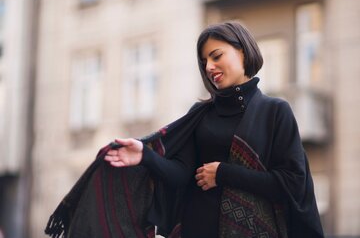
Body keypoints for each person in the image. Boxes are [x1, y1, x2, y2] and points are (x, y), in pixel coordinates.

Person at [45, 22, 324, 238]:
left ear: (242, 50)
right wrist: (145, 155)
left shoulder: (275, 111)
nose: (209, 67)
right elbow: (181, 175)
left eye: (216, 56)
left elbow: (291, 184)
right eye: (204, 61)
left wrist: (224, 173)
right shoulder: (200, 114)